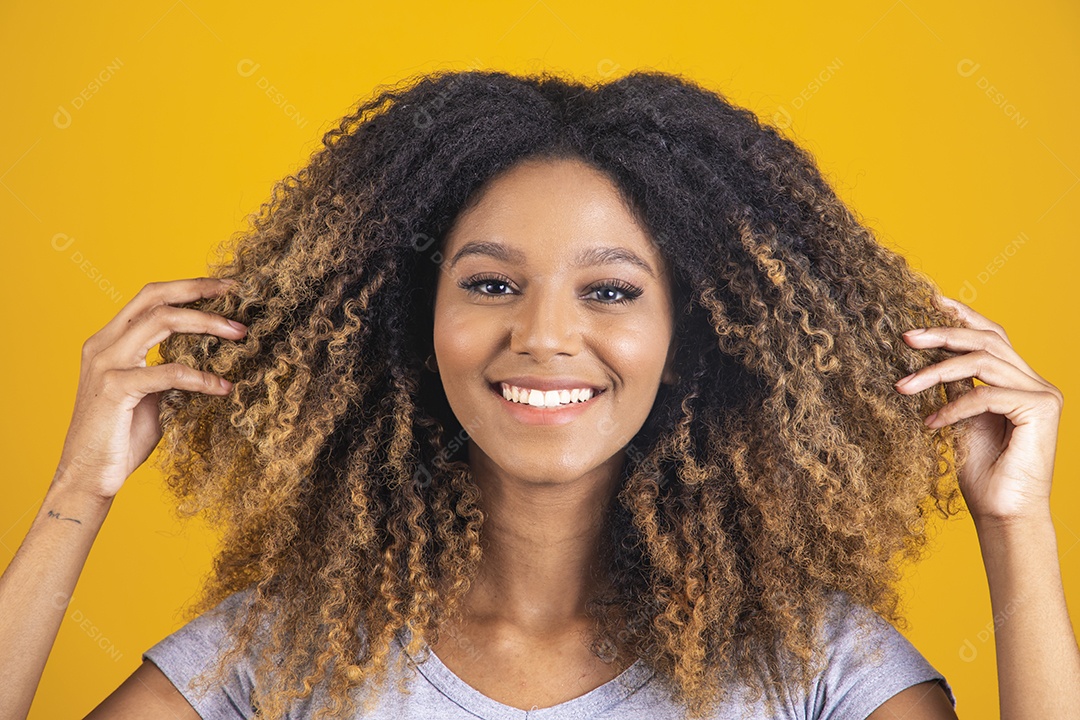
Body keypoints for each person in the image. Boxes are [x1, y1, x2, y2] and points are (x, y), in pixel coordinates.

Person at [0, 68, 1075, 720]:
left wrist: (1014, 522)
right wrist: (77, 494)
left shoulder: (819, 673)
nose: (545, 335)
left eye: (610, 290)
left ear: (691, 337)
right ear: (411, 324)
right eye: (490, 284)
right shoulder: (280, 659)